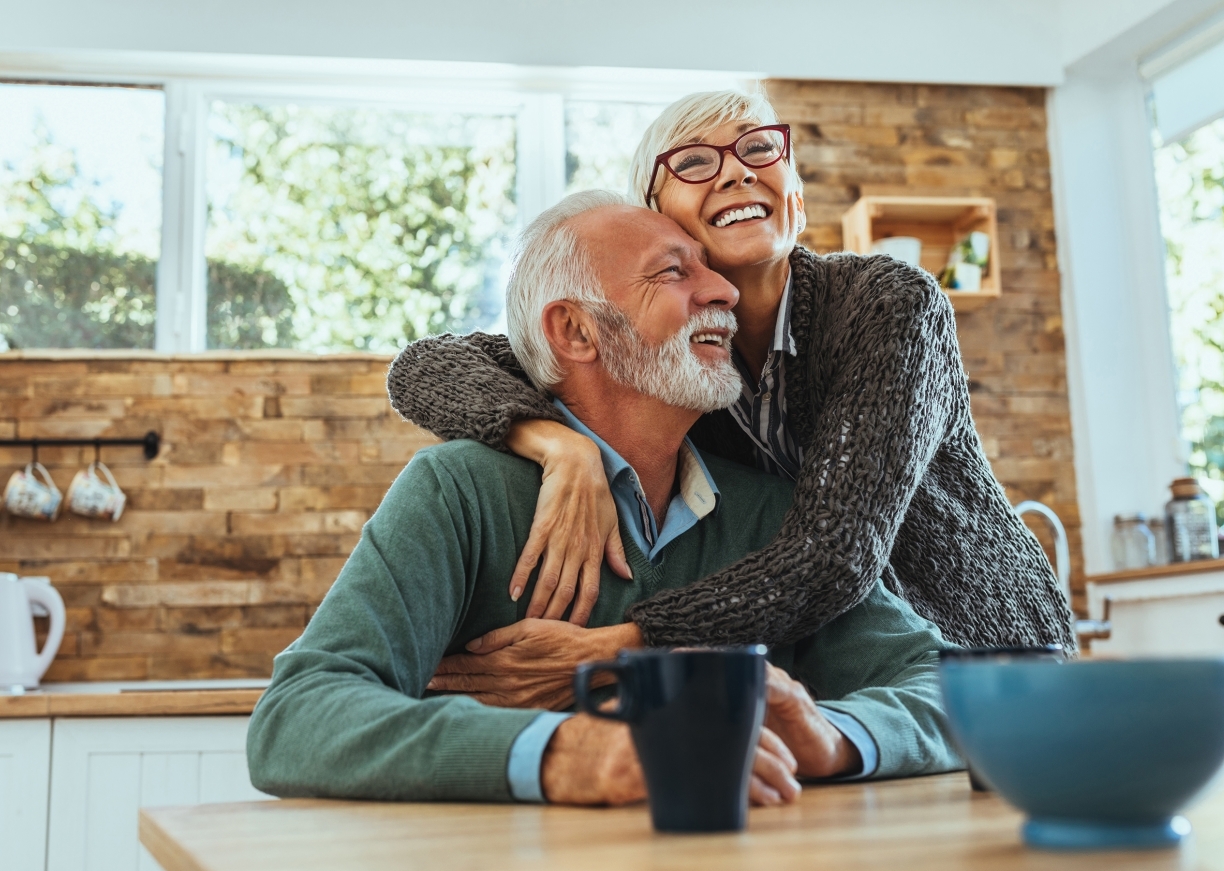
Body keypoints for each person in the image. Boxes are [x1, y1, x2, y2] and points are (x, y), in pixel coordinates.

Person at [246, 192, 962, 805]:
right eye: (674, 273)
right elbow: (297, 717)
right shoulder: (459, 492)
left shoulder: (772, 514)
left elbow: (947, 688)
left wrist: (832, 737)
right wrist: (569, 753)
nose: (724, 292)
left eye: (709, 270)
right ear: (576, 330)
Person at [386, 89, 1075, 669]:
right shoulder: (670, 357)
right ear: (655, 216)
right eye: (693, 161)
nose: (737, 173)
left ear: (795, 196)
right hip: (844, 671)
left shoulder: (888, 305)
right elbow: (427, 365)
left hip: (988, 654)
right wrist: (556, 445)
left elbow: (833, 554)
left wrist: (624, 644)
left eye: (758, 149)